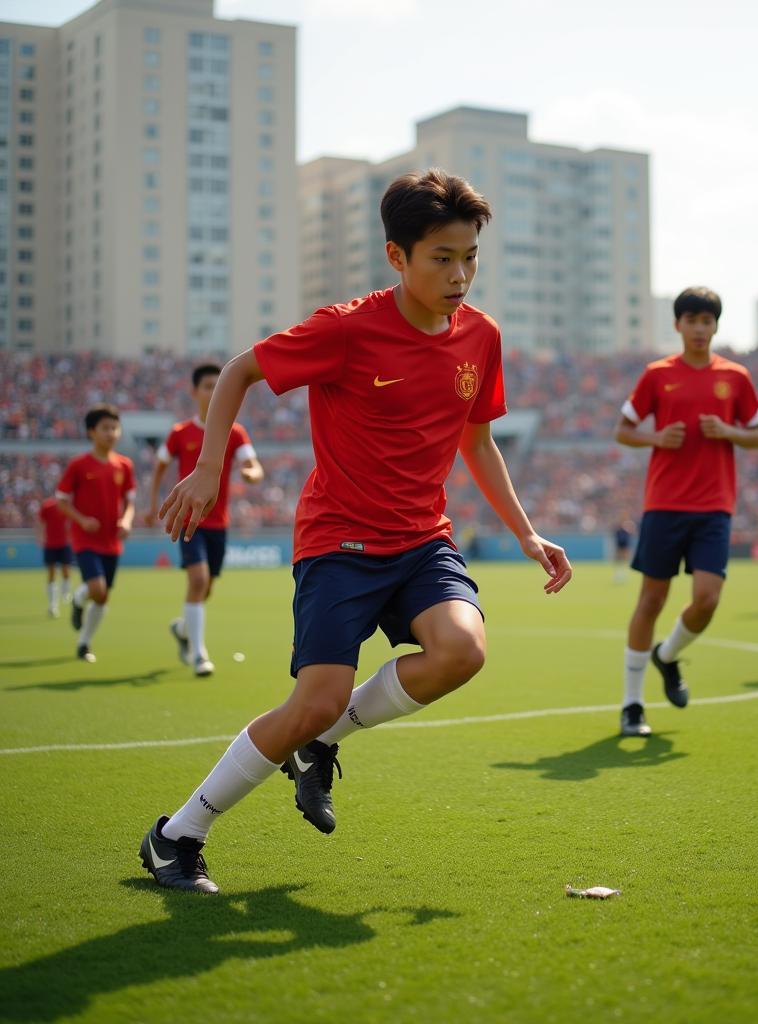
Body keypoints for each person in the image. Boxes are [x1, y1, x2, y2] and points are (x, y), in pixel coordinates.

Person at [139, 169, 573, 894]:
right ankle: (175, 836)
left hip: (423, 540)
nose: (461, 274)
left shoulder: (482, 337)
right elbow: (243, 370)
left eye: (470, 256)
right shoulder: (346, 327)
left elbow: (478, 442)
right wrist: (211, 465)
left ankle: (323, 747)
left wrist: (527, 534)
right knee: (311, 702)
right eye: (442, 257)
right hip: (339, 543)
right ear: (397, 257)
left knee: (462, 650)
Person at [614, 287, 758, 738]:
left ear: (716, 326)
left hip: (715, 506)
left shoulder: (736, 377)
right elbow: (623, 430)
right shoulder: (657, 375)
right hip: (664, 504)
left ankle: (668, 654)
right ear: (678, 325)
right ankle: (632, 705)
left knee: (707, 599)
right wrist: (656, 438)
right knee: (651, 600)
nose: (700, 329)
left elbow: (757, 437)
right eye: (691, 320)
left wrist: (729, 430)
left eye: (707, 321)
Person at [146, 364, 264, 677]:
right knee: (198, 581)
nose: (213, 392)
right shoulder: (179, 433)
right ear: (194, 392)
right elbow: (159, 466)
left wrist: (252, 473)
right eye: (208, 386)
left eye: (218, 385)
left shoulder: (235, 432)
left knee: (206, 587)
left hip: (218, 524)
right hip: (189, 519)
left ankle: (184, 628)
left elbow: (253, 465)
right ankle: (199, 655)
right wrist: (152, 503)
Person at [55, 404, 136, 663]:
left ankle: (84, 642)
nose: (111, 433)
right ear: (91, 432)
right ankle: (80, 598)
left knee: (102, 596)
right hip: (85, 539)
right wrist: (82, 520)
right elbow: (61, 501)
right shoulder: (79, 465)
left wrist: (126, 520)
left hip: (111, 541)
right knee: (97, 588)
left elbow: (130, 502)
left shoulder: (124, 465)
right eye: (105, 428)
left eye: (115, 427)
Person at [35, 496, 73, 617]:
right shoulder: (47, 505)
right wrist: (40, 536)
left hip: (65, 544)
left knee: (66, 571)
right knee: (51, 574)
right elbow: (40, 521)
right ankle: (53, 605)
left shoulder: (68, 506)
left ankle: (66, 592)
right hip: (50, 544)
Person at [611, 519, 635, 584]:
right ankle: (617, 574)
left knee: (625, 561)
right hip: (619, 547)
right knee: (618, 561)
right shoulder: (618, 531)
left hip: (625, 548)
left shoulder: (627, 531)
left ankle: (623, 574)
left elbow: (629, 539)